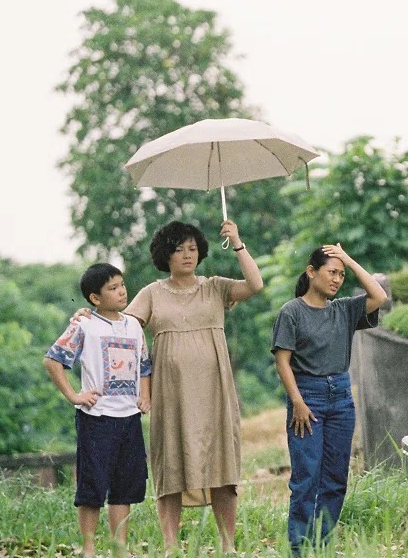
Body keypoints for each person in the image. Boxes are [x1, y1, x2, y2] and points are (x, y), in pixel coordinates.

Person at [73, 220, 263, 553]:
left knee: (222, 466)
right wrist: (87, 315)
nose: (187, 255)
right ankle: (170, 546)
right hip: (171, 394)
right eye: (178, 249)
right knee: (171, 465)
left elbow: (255, 284)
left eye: (192, 248)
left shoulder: (215, 287)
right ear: (166, 255)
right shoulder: (152, 293)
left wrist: (237, 242)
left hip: (215, 391)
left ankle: (228, 545)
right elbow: (117, 323)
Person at [271, 244, 387, 555]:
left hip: (341, 397)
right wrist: (297, 401)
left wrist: (348, 258)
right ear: (311, 272)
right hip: (306, 396)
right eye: (331, 272)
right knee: (306, 477)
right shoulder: (291, 312)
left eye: (341, 274)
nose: (336, 279)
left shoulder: (344, 309)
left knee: (335, 478)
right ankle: (299, 549)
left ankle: (321, 546)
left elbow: (379, 296)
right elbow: (283, 361)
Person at [44, 263, 152, 558]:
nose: (121, 291)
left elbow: (144, 365)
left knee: (124, 487)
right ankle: (88, 549)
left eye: (122, 284)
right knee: (92, 487)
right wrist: (74, 396)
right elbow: (53, 360)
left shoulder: (133, 325)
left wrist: (146, 396)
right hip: (97, 417)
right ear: (95, 298)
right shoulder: (84, 325)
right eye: (113, 288)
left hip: (129, 418)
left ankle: (119, 548)